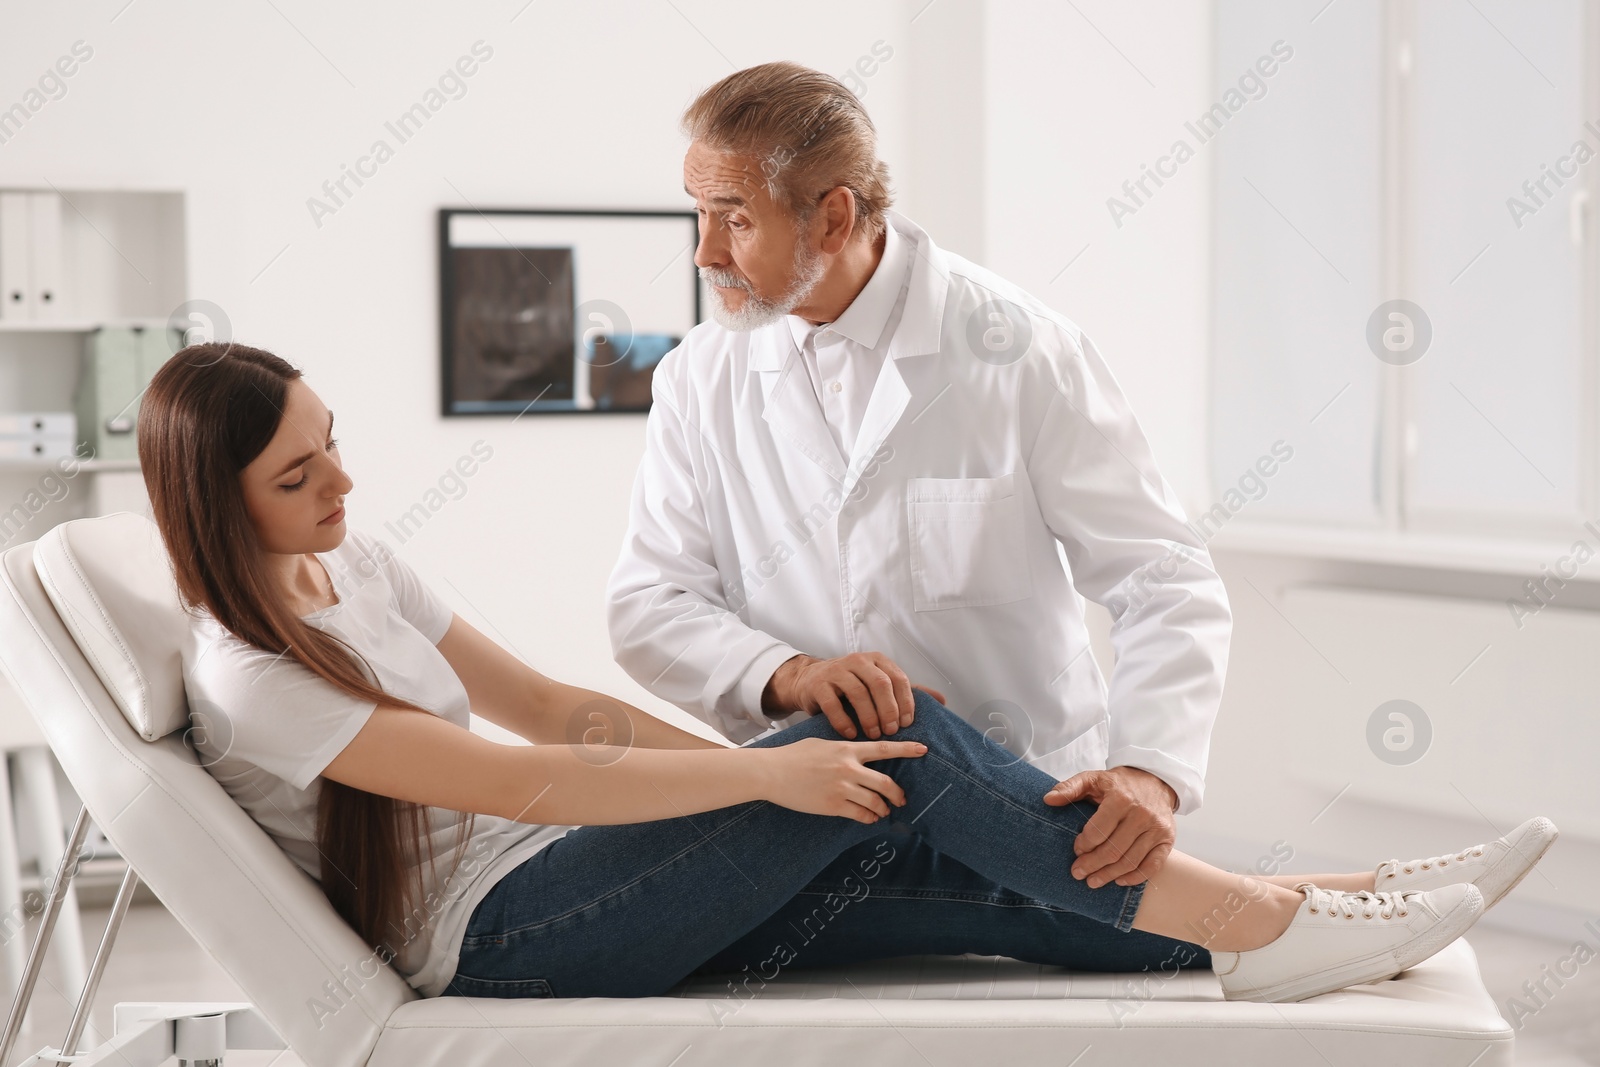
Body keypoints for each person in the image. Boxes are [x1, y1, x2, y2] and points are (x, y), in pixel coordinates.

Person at [140, 344, 1556, 1004]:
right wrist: (780, 773)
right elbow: (530, 773)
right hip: (501, 932)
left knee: (961, 881)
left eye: (332, 436)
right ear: (216, 495)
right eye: (298, 468)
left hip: (575, 859)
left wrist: (766, 779)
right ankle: (1260, 907)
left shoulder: (357, 563)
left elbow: (563, 707)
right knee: (903, 735)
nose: (343, 477)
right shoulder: (256, 678)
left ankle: (1325, 914)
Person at [608, 61, 1232, 895]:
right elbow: (650, 604)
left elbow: (1163, 576)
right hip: (820, 819)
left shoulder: (1022, 351)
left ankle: (1329, 906)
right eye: (699, 212)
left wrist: (1151, 767)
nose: (704, 252)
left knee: (1172, 941)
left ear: (833, 217)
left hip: (1035, 811)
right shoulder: (698, 376)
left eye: (735, 219)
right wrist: (790, 673)